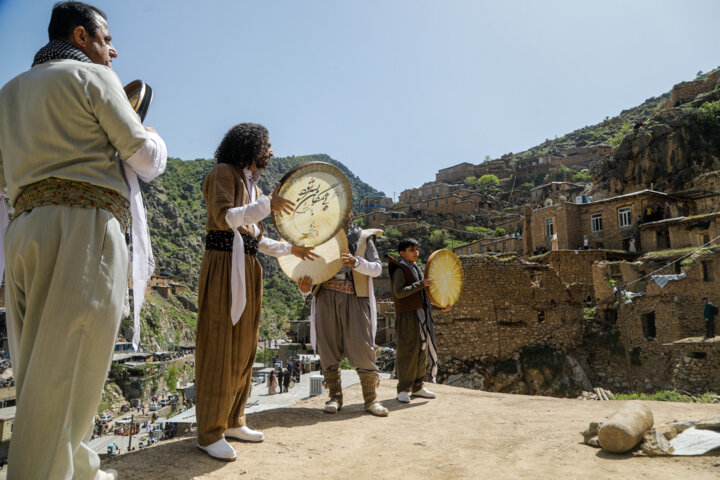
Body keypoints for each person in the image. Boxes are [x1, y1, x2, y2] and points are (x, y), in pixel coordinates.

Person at [0, 3, 166, 479]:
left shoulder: (8, 94)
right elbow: (143, 156)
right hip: (85, 227)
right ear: (81, 36)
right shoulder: (93, 78)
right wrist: (155, 137)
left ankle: (76, 467)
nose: (112, 51)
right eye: (106, 39)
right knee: (73, 362)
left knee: (36, 365)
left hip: (24, 229)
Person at [194, 123, 316, 461]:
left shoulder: (250, 185)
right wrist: (266, 204)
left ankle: (233, 420)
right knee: (220, 344)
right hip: (223, 266)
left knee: (245, 347)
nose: (272, 152)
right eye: (268, 145)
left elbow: (256, 239)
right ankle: (209, 432)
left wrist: (292, 250)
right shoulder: (222, 173)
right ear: (251, 147)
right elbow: (224, 218)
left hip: (248, 267)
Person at [299, 218, 389, 417]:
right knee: (328, 347)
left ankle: (371, 399)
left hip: (355, 297)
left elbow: (377, 268)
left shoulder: (364, 238)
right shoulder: (320, 238)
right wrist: (304, 289)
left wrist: (356, 262)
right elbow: (308, 270)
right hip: (325, 297)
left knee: (362, 346)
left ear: (351, 214)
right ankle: (335, 397)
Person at [387, 238, 447, 403]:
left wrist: (440, 306)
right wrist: (421, 284)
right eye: (412, 250)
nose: (416, 253)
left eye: (417, 249)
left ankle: (418, 387)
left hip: (422, 314)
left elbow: (423, 296)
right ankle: (403, 389)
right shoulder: (399, 269)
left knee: (422, 350)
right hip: (408, 316)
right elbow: (399, 292)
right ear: (402, 253)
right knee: (408, 351)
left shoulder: (416, 269)